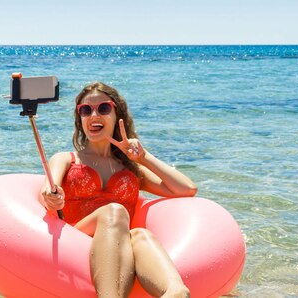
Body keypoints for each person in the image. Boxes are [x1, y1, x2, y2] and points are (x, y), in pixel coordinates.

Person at [40, 81, 196, 298]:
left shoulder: (131, 168)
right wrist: (51, 196)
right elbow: (48, 189)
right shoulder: (66, 159)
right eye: (85, 110)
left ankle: (176, 292)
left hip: (119, 248)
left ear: (117, 115)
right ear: (80, 120)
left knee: (141, 234)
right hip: (75, 240)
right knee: (113, 211)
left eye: (103, 108)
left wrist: (144, 157)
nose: (93, 115)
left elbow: (187, 189)